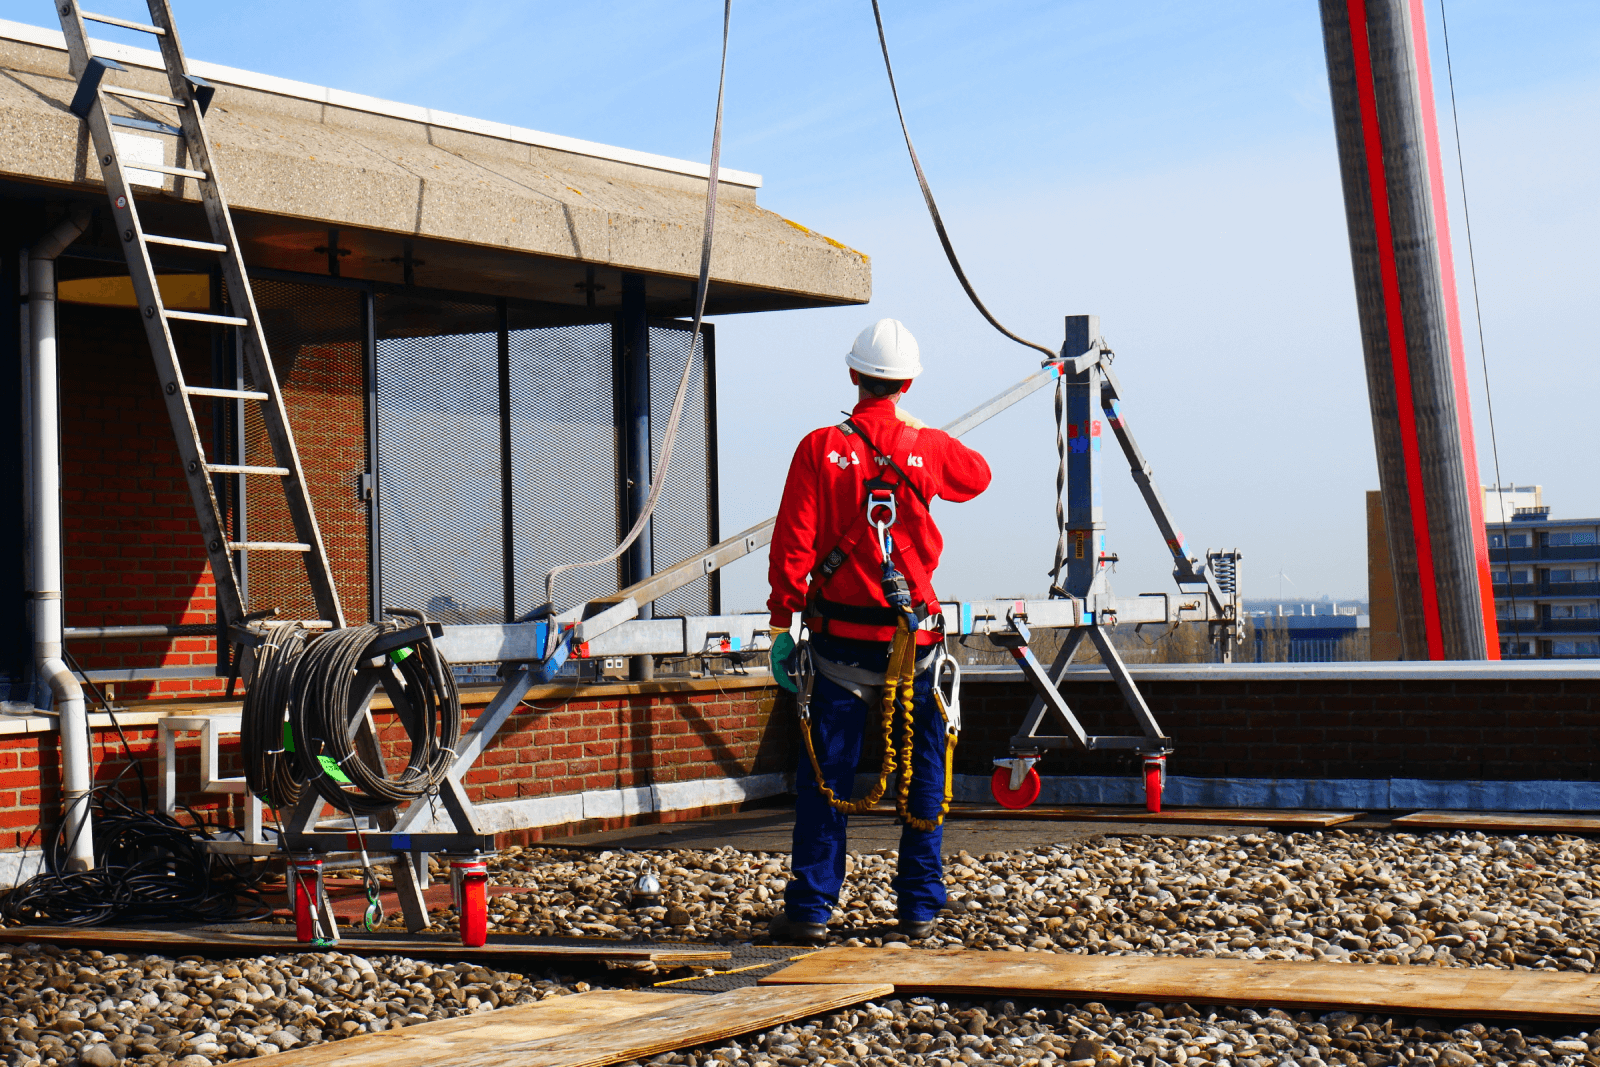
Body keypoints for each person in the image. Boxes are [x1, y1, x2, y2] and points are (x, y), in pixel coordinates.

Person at [765, 318, 992, 943]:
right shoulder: (927, 447)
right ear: (908, 382)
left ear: (853, 375)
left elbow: (793, 543)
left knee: (826, 776)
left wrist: (782, 621)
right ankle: (919, 905)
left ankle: (811, 910)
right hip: (914, 643)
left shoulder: (819, 449)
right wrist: (917, 433)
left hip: (838, 645)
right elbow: (977, 475)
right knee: (924, 776)